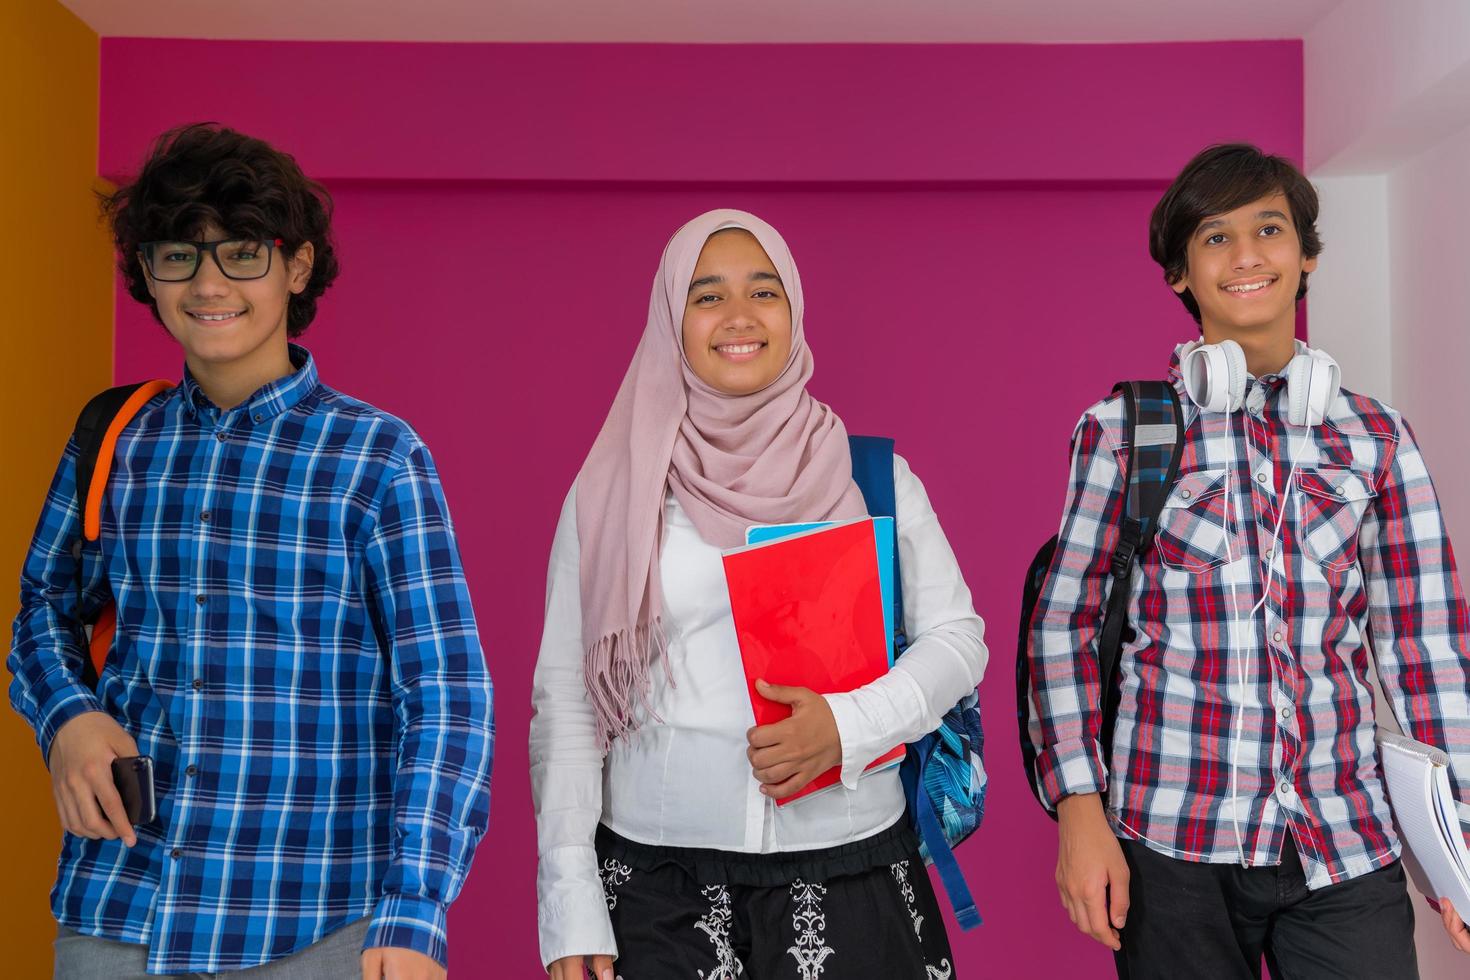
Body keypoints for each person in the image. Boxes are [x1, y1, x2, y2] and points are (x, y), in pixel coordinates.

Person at [8, 123, 494, 979]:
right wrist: (68, 719)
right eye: (178, 256)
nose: (207, 284)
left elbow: (446, 694)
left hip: (313, 924)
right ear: (146, 275)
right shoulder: (115, 441)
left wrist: (416, 904)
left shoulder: (378, 458)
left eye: (240, 253)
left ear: (295, 267)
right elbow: (43, 613)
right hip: (120, 910)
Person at [1025, 142, 1470, 978]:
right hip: (1170, 841)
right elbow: (1065, 631)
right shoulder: (1123, 433)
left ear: (1306, 255)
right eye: (1215, 238)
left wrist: (1462, 855)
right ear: (1180, 276)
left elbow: (1426, 654)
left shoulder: (1378, 439)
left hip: (1344, 840)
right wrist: (1079, 813)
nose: (1246, 256)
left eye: (1269, 229)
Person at [530, 209, 986, 979]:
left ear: (794, 310)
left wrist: (848, 725)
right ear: (671, 318)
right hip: (656, 891)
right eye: (707, 296)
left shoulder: (868, 477)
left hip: (853, 873)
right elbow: (567, 699)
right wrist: (568, 897)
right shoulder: (612, 491)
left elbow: (958, 639)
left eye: (763, 291)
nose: (739, 317)